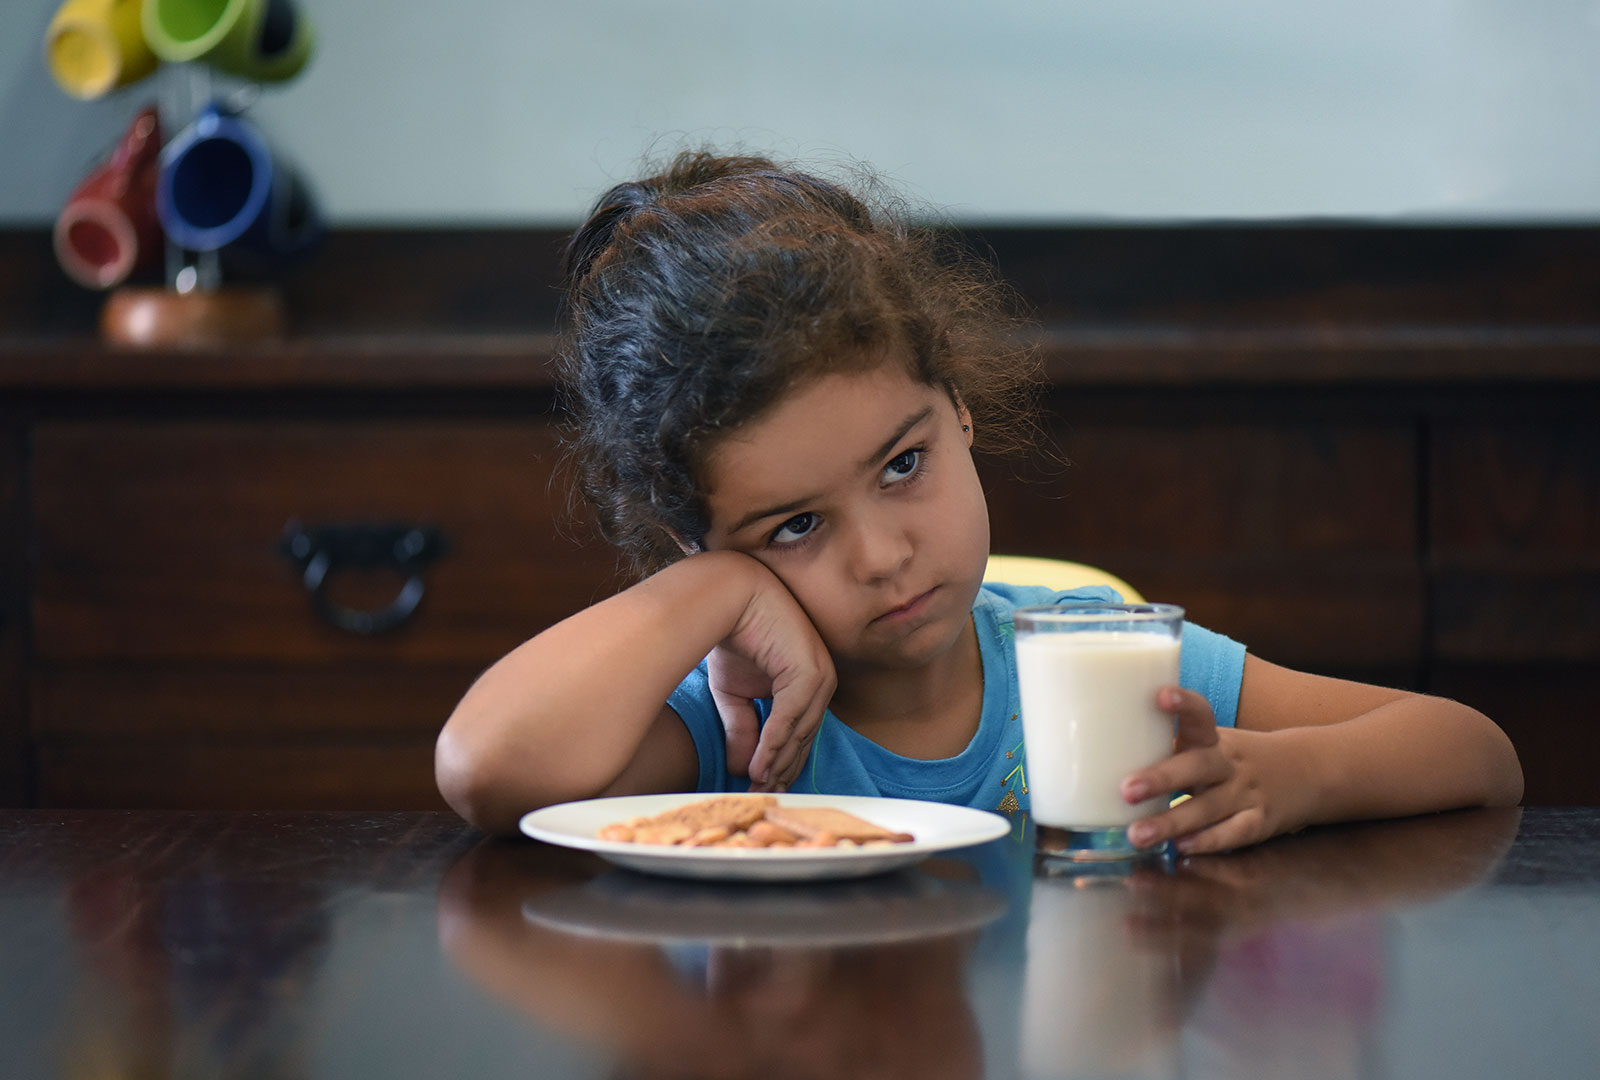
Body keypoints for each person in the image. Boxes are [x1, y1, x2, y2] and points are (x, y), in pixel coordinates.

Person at [434, 151, 1523, 848]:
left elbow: (1476, 754)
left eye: (900, 465)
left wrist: (1291, 776)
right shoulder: (740, 732)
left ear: (956, 408)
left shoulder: (1104, 669)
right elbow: (486, 770)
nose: (882, 556)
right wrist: (709, 590)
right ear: (704, 540)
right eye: (795, 527)